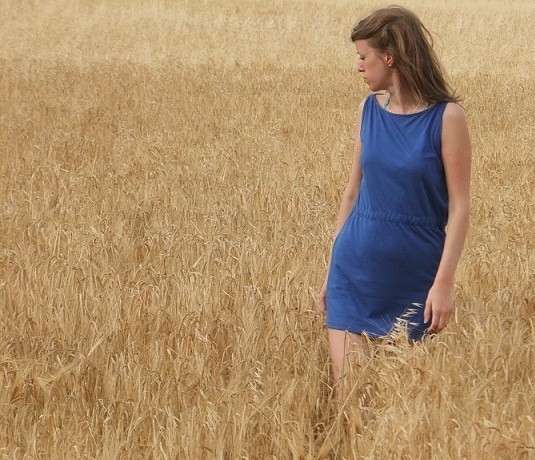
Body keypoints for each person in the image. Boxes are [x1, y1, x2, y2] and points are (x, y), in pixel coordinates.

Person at [318, 6, 471, 391]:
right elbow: (352, 192)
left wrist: (443, 284)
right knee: (351, 403)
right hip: (353, 271)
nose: (358, 67)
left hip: (415, 280)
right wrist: (331, 269)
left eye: (363, 57)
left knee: (402, 410)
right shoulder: (368, 110)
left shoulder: (447, 118)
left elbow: (460, 207)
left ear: (389, 57)